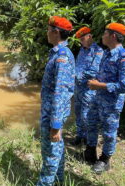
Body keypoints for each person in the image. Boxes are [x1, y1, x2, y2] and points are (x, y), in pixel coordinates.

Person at [84, 23, 125, 174]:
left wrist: (100, 85)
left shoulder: (124, 58)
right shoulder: (106, 53)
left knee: (109, 132)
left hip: (111, 103)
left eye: (105, 33)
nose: (102, 36)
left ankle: (105, 159)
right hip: (97, 98)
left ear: (113, 36)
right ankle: (91, 150)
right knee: (91, 123)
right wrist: (95, 82)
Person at [37, 16, 75, 186]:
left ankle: (45, 182)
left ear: (56, 32)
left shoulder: (62, 56)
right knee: (56, 147)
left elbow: (61, 92)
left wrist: (55, 124)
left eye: (48, 29)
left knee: (50, 151)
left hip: (53, 113)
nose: (46, 33)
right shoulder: (56, 53)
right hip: (51, 110)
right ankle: (59, 178)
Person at [71, 27, 103, 146]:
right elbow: (77, 66)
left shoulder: (97, 51)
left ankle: (89, 141)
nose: (81, 41)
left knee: (87, 115)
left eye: (82, 39)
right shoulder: (82, 50)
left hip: (89, 90)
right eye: (80, 39)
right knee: (78, 113)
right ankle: (80, 136)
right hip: (78, 88)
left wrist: (76, 76)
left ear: (89, 37)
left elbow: (94, 71)